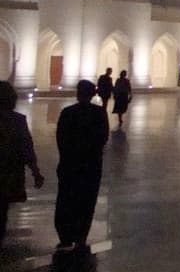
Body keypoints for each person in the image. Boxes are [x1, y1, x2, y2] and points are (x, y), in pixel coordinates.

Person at [54, 80, 108, 253]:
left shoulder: (68, 113)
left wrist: (68, 155)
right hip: (90, 165)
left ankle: (65, 235)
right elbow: (102, 138)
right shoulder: (99, 113)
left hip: (70, 164)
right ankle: (81, 236)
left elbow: (61, 139)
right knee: (87, 200)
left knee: (66, 198)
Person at [0, 81, 45, 249]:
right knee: (2, 209)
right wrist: (35, 171)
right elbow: (26, 146)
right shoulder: (17, 121)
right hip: (8, 173)